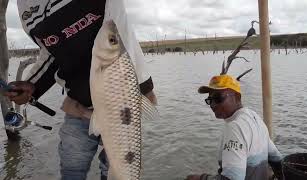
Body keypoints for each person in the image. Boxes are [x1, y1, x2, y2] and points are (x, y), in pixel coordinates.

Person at [4, 0, 157, 180]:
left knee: (119, 170)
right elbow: (51, 49)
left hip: (123, 110)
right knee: (71, 172)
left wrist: (143, 90)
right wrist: (32, 84)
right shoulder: (25, 7)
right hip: (77, 106)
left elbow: (114, 27)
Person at [186, 74, 282, 180]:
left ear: (236, 97)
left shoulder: (235, 127)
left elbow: (232, 178)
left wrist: (201, 178)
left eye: (218, 98)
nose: (213, 104)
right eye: (210, 100)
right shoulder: (255, 117)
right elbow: (276, 159)